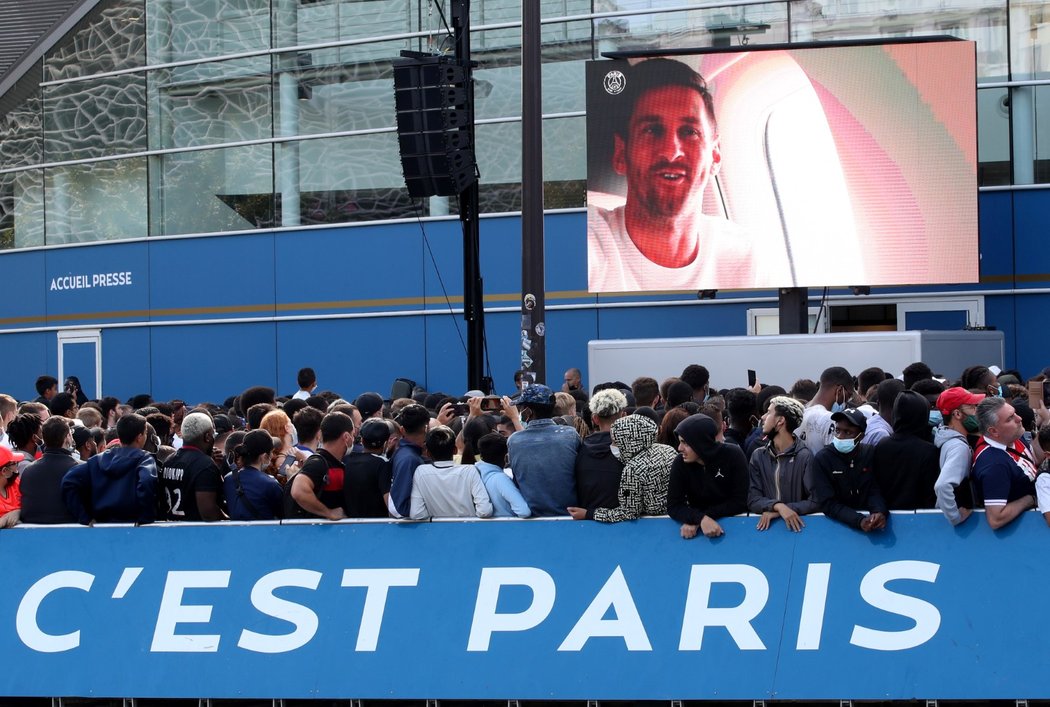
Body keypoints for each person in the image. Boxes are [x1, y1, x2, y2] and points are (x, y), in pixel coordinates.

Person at [588, 58, 755, 292]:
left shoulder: (744, 255)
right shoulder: (588, 242)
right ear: (621, 153)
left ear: (715, 155)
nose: (671, 151)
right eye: (651, 130)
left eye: (689, 131)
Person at [570, 414, 676, 523]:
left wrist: (589, 514)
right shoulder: (668, 450)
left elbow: (629, 512)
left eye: (615, 442)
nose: (612, 445)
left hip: (653, 524)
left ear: (629, 442)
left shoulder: (633, 469)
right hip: (675, 516)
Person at [61, 413, 158, 525]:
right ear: (139, 437)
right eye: (145, 433)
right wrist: (145, 517)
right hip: (132, 526)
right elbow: (147, 481)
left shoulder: (97, 460)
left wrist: (84, 517)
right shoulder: (145, 459)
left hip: (101, 526)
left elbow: (68, 481)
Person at [666, 413, 748, 539]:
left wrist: (703, 518)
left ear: (701, 443)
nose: (679, 448)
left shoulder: (733, 455)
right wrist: (700, 519)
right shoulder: (680, 462)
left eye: (685, 443)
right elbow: (673, 506)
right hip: (698, 532)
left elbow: (740, 501)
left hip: (735, 528)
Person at [506, 384, 581, 517]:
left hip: (532, 519)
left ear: (528, 411)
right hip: (570, 516)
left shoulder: (514, 441)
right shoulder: (570, 435)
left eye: (521, 407)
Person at [809, 408, 887, 532]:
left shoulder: (869, 453)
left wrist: (878, 511)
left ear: (860, 436)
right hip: (836, 527)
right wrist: (858, 520)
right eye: (838, 430)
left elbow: (874, 488)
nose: (840, 437)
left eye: (848, 432)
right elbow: (828, 503)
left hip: (870, 524)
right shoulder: (823, 459)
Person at [747, 395, 818, 532]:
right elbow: (753, 499)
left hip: (797, 531)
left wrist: (783, 510)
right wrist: (779, 507)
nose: (763, 417)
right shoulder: (758, 455)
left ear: (780, 421)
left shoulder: (805, 456)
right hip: (766, 533)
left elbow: (815, 501)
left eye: (768, 412)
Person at [971, 396, 1037, 530]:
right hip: (1020, 534)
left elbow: (1034, 458)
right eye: (1010, 418)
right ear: (994, 431)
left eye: (1015, 413)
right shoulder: (995, 466)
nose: (1019, 419)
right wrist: (1031, 499)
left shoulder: (1011, 436)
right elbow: (996, 519)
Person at [873, 390, 940, 510]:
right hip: (919, 520)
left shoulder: (881, 445)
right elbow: (930, 495)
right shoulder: (928, 451)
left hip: (885, 518)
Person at [409, 426, 492, 520]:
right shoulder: (470, 471)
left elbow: (417, 513)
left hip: (437, 531)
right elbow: (485, 511)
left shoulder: (421, 472)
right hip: (469, 530)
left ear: (428, 453)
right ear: (455, 450)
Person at [284, 412, 352, 521]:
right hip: (313, 533)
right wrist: (328, 513)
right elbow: (299, 491)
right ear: (346, 437)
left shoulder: (333, 463)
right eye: (353, 435)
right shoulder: (317, 463)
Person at [933, 387, 984, 525]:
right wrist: (956, 517)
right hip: (958, 530)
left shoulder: (948, 438)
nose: (976, 411)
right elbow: (942, 486)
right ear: (957, 414)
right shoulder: (958, 447)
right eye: (972, 407)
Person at [160, 412, 223, 522]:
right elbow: (208, 513)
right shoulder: (205, 465)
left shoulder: (169, 460)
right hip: (197, 533)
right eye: (213, 435)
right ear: (207, 437)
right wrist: (229, 520)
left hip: (171, 530)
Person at [573, 388, 627, 513]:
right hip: (625, 523)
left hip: (586, 523)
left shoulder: (579, 449)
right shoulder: (632, 450)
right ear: (624, 416)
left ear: (595, 419)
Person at [19, 416, 78, 524]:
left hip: (31, 533)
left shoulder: (28, 470)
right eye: (71, 433)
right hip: (72, 533)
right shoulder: (81, 468)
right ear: (67, 437)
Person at [223, 429, 283, 521]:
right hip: (264, 533)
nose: (273, 456)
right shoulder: (270, 484)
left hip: (235, 533)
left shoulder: (228, 479)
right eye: (271, 452)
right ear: (264, 457)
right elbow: (283, 513)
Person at [343, 418, 394, 518]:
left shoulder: (346, 460)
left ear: (362, 440)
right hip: (376, 526)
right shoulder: (383, 464)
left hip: (348, 524)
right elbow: (389, 501)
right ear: (386, 443)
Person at [798, 366, 854, 454]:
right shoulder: (829, 419)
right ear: (839, 390)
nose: (847, 401)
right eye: (848, 396)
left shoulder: (799, 412)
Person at [475, 433, 531, 518]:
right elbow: (524, 511)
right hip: (506, 527)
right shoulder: (500, 479)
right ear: (506, 456)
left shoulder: (473, 473)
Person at [0, 446, 24, 528]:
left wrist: (19, 512)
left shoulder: (16, 482)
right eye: (14, 463)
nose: (17, 467)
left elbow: (32, 505)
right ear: (4, 471)